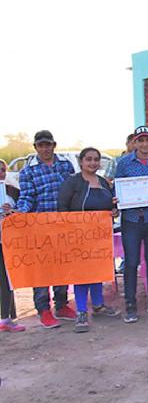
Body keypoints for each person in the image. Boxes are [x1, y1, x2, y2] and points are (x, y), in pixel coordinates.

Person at [14, 130, 77, 328]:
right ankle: (43, 309)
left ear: (54, 145)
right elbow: (27, 197)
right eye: (40, 145)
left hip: (62, 224)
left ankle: (61, 304)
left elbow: (73, 191)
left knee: (62, 267)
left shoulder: (65, 165)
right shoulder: (28, 171)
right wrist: (19, 213)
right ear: (35, 148)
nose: (45, 149)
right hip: (39, 228)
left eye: (47, 145)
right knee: (42, 269)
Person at [57, 148, 121, 332]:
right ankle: (82, 311)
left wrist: (114, 212)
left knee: (98, 271)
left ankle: (99, 305)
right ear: (81, 162)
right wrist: (70, 228)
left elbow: (110, 207)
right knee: (81, 274)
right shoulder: (73, 182)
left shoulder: (103, 182)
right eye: (89, 159)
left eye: (96, 160)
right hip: (78, 237)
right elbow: (62, 207)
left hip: (100, 236)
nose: (93, 163)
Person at [114, 126, 148, 323]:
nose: (144, 144)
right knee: (131, 262)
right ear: (134, 143)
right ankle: (130, 303)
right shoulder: (124, 164)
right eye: (140, 140)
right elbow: (117, 188)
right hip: (131, 220)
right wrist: (117, 200)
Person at [0, 161, 24, 332]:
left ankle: (7, 317)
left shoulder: (12, 191)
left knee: (6, 279)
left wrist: (12, 212)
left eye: (2, 170)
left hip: (7, 241)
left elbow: (22, 212)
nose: (0, 173)